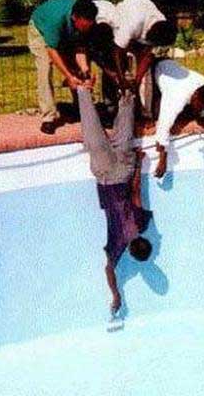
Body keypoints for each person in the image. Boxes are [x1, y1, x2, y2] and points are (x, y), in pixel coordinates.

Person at [77, 86, 153, 314]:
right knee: (93, 132)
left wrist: (139, 162)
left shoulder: (142, 224)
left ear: (145, 242)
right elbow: (109, 270)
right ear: (131, 251)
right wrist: (116, 295)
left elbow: (137, 191)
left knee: (124, 132)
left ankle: (125, 90)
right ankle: (82, 90)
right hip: (105, 177)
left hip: (124, 172)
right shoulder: (117, 246)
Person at [28, 0, 98, 134]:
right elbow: (52, 51)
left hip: (64, 32)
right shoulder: (56, 20)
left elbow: (80, 48)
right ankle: (48, 117)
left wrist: (85, 72)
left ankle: (81, 108)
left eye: (88, 26)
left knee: (79, 70)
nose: (85, 29)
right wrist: (68, 76)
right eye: (83, 26)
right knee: (45, 68)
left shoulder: (86, 22)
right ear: (74, 18)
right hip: (40, 30)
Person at [153, 59, 204, 178]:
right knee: (159, 115)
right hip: (159, 69)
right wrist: (162, 160)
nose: (200, 110)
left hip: (175, 69)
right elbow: (163, 126)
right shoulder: (177, 96)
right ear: (195, 95)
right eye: (200, 106)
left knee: (193, 115)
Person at [111, 0, 177, 119]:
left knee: (145, 77)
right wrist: (121, 80)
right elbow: (116, 51)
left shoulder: (161, 25)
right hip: (123, 22)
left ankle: (145, 114)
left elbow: (147, 58)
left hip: (143, 27)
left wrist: (136, 82)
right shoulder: (131, 24)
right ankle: (117, 110)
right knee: (121, 73)